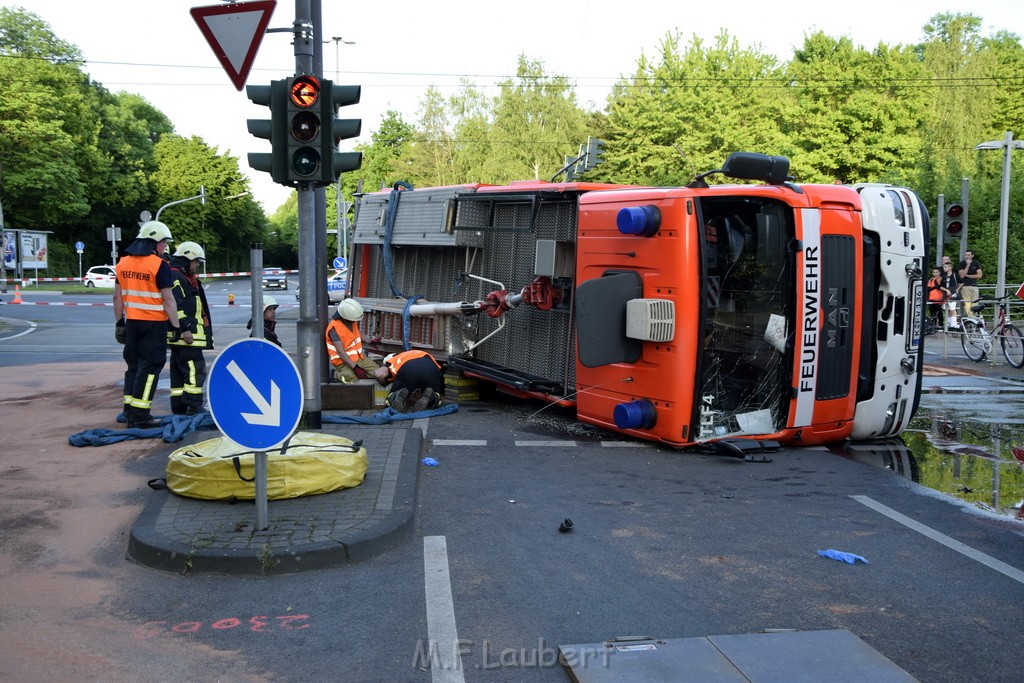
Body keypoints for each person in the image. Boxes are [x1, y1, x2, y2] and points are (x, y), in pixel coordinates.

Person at [113, 220, 182, 428]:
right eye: (164, 242)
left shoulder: (122, 263)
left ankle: (129, 411)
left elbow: (117, 298)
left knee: (133, 367)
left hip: (132, 323)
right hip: (153, 325)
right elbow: (168, 300)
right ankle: (141, 416)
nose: (164, 247)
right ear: (155, 243)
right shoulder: (158, 265)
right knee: (150, 368)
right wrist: (176, 326)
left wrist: (119, 323)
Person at [167, 241, 212, 416]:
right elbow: (175, 305)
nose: (198, 265)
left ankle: (179, 407)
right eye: (196, 261)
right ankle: (194, 406)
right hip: (186, 336)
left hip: (182, 336)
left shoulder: (181, 276)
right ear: (187, 259)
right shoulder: (177, 277)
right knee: (195, 369)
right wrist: (185, 328)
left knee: (179, 372)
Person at [325, 298, 379, 383]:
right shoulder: (334, 329)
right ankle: (336, 374)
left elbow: (357, 332)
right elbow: (340, 352)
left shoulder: (350, 320)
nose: (355, 321)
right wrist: (355, 368)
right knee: (352, 379)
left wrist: (369, 341)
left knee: (379, 372)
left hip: (359, 358)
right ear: (345, 317)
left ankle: (362, 373)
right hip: (342, 362)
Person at [373, 350, 444, 413]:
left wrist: (384, 383)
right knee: (435, 395)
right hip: (430, 367)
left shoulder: (391, 361)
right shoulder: (413, 353)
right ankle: (431, 398)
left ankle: (396, 397)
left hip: (409, 369)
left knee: (392, 397)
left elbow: (380, 374)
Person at [940, 260, 961, 331]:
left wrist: (957, 289)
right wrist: (946, 290)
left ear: (950, 268)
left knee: (952, 309)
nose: (944, 268)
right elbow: (941, 286)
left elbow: (961, 282)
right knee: (947, 310)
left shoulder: (955, 275)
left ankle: (953, 324)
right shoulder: (944, 276)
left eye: (945, 267)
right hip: (946, 295)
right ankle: (949, 323)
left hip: (953, 295)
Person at [926, 267, 945, 333]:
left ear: (939, 273)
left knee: (939, 313)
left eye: (937, 272)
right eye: (934, 272)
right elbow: (928, 289)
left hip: (938, 298)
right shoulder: (931, 280)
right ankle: (933, 326)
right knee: (932, 313)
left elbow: (938, 287)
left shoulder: (941, 279)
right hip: (931, 298)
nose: (935, 274)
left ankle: (940, 326)